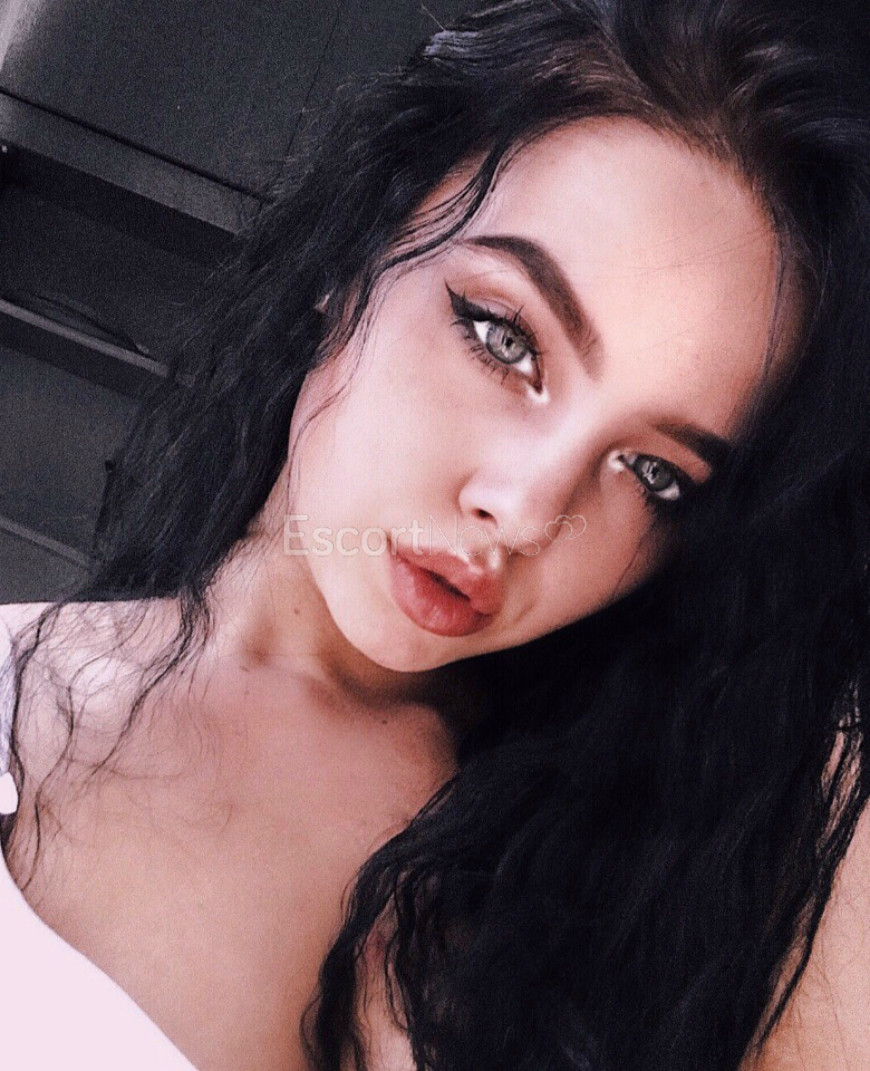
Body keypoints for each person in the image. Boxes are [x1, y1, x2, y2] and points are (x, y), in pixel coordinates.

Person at [1, 0, 869, 1069]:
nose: (527, 510)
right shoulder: (23, 686)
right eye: (504, 337)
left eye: (655, 473)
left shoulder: (654, 895)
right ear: (356, 252)